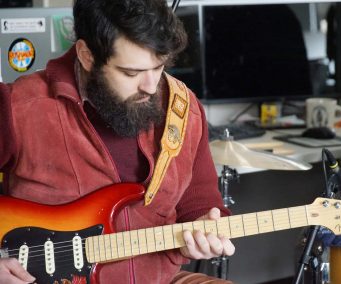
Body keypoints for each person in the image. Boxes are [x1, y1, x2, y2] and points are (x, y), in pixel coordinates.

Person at [0, 0, 235, 283]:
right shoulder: (18, 108)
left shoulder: (183, 109)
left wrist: (204, 229)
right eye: (131, 73)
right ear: (87, 56)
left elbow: (200, 204)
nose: (151, 86)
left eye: (158, 67)